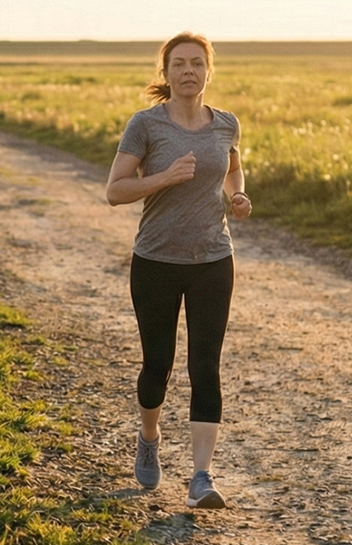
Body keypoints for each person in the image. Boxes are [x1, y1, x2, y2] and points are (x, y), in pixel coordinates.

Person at [106, 32, 251, 508]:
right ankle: (149, 436)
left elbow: (231, 169)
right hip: (156, 261)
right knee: (158, 367)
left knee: (205, 366)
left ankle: (202, 477)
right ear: (165, 74)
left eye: (197, 63)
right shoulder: (146, 125)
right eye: (179, 64)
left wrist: (236, 195)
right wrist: (164, 178)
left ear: (209, 71)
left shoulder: (226, 124)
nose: (188, 71)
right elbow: (115, 190)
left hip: (213, 259)